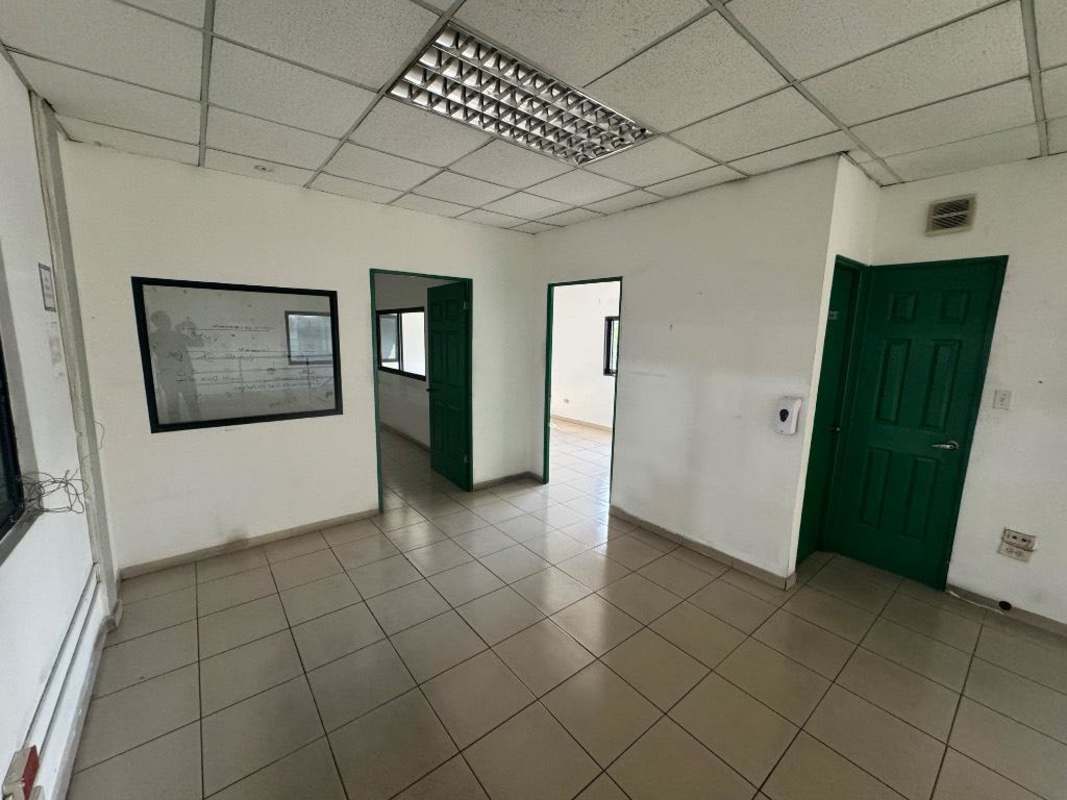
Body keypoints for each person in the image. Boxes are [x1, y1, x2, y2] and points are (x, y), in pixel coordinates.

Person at [148, 310, 203, 422]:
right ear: (157, 323)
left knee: (193, 407)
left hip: (183, 376)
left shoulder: (176, 335)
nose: (168, 321)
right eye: (164, 320)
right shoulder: (153, 337)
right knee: (174, 409)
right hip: (169, 377)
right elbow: (160, 352)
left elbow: (199, 344)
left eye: (168, 319)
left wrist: (193, 330)